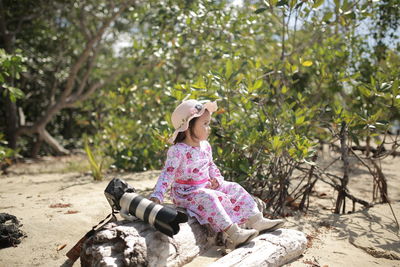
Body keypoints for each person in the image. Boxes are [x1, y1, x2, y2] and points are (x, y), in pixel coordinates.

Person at [149, 99, 284, 248]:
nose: (209, 128)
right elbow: (167, 174)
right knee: (209, 197)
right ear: (188, 127)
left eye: (208, 124)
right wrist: (158, 194)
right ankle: (233, 232)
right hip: (186, 193)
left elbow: (211, 165)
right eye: (205, 124)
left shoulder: (205, 146)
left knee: (234, 187)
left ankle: (257, 219)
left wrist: (217, 180)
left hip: (205, 186)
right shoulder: (178, 150)